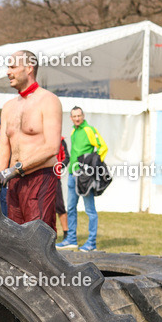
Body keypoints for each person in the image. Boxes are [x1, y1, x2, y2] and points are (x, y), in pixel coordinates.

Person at [0, 50, 63, 230]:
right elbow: (3, 147)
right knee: (15, 236)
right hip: (14, 182)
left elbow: (52, 147)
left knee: (37, 236)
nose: (8, 72)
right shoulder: (8, 107)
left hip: (40, 177)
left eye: (13, 67)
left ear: (29, 68)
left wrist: (15, 169)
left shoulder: (48, 100)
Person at [56, 107, 107, 251]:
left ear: (83, 116)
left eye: (79, 115)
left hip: (84, 177)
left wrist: (93, 165)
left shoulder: (89, 130)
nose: (77, 118)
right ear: (71, 118)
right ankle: (71, 240)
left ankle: (91, 243)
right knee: (71, 208)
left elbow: (103, 147)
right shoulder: (73, 131)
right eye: (74, 116)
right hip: (72, 175)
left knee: (90, 210)